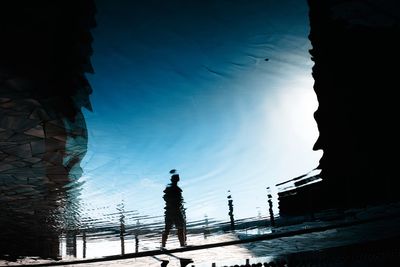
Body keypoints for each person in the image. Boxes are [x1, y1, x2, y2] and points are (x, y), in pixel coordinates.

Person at [161, 169, 187, 248]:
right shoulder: (171, 188)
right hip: (172, 211)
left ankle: (181, 244)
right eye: (176, 178)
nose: (177, 179)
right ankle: (163, 245)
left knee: (177, 228)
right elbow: (166, 197)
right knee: (171, 229)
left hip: (173, 211)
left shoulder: (175, 188)